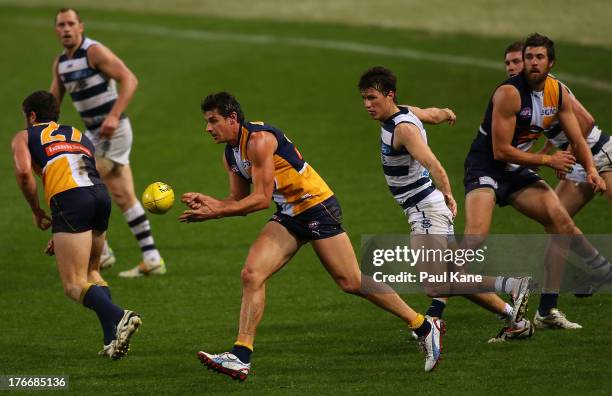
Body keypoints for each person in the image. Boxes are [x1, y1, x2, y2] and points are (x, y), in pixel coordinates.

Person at [181, 92, 445, 379]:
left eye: (213, 121)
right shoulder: (231, 153)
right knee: (251, 274)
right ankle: (240, 355)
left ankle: (422, 325)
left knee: (352, 281)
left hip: (317, 207)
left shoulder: (258, 141)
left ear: (232, 118)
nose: (208, 128)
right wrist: (212, 203)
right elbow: (238, 198)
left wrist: (217, 212)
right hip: (290, 213)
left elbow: (259, 200)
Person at [359, 66, 532, 343]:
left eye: (372, 98)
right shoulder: (405, 111)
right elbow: (432, 114)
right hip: (428, 206)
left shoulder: (403, 129)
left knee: (435, 284)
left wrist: (449, 194)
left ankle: (512, 284)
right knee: (457, 278)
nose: (368, 105)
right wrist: (446, 113)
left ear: (389, 95)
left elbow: (432, 163)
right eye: (364, 99)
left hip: (425, 211)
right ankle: (515, 319)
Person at [463, 33, 607, 330]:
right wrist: (547, 159)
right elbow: (499, 150)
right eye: (528, 57)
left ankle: (547, 311)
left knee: (560, 221)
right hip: (486, 168)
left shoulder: (557, 92)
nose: (531, 63)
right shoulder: (509, 94)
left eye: (538, 57)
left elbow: (578, 136)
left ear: (550, 62)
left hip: (516, 168)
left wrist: (591, 169)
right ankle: (436, 306)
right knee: (473, 244)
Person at [11, 90, 141, 359]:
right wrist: (62, 230)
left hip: (70, 199)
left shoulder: (25, 136)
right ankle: (111, 339)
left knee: (72, 284)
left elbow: (24, 173)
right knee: (92, 270)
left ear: (31, 116)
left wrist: (37, 211)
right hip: (99, 196)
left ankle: (121, 316)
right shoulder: (78, 134)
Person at [50, 8, 165, 277]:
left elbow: (130, 79)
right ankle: (152, 258)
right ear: (56, 30)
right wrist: (39, 129)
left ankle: (102, 252)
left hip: (114, 131)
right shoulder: (61, 63)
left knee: (82, 184)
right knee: (124, 196)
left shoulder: (94, 52)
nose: (66, 29)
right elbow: (53, 101)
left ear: (81, 26)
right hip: (94, 134)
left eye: (70, 24)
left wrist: (113, 116)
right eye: (61, 25)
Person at [503, 41, 612, 297]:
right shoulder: (525, 91)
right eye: (508, 63)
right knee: (557, 222)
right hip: (575, 163)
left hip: (600, 154)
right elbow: (554, 127)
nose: (512, 67)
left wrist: (565, 156)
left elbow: (585, 122)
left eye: (517, 61)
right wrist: (545, 154)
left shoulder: (552, 86)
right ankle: (600, 269)